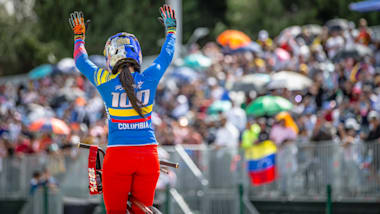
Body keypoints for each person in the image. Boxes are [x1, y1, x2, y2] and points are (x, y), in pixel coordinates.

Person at [68, 5, 176, 214]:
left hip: (118, 157)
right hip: (148, 156)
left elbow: (81, 61)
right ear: (138, 55)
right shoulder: (149, 77)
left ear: (110, 58)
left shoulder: (105, 80)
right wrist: (170, 31)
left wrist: (79, 37)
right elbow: (167, 54)